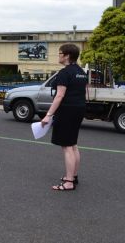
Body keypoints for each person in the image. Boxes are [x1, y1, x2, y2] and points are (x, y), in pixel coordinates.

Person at [41, 44, 87, 191]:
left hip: (67, 110)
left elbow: (59, 95)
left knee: (67, 146)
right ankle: (73, 176)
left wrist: (48, 115)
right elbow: (84, 91)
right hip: (79, 109)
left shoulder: (64, 73)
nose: (58, 55)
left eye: (60, 53)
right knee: (73, 144)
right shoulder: (81, 72)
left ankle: (68, 182)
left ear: (67, 55)